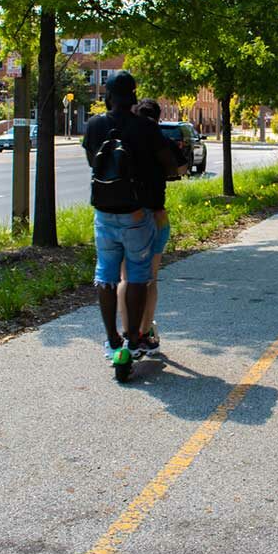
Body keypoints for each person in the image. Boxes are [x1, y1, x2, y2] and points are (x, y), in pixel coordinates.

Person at [82, 72, 183, 361]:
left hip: (103, 212)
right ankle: (136, 338)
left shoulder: (94, 125)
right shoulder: (145, 128)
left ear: (108, 96)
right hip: (136, 213)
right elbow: (170, 165)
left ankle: (112, 339)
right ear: (134, 96)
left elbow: (93, 162)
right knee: (138, 274)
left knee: (106, 274)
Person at [117, 99, 187, 355]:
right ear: (157, 118)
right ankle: (144, 333)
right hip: (157, 216)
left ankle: (127, 333)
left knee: (126, 278)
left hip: (125, 216)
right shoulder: (161, 141)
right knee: (150, 278)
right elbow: (181, 168)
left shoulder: (124, 140)